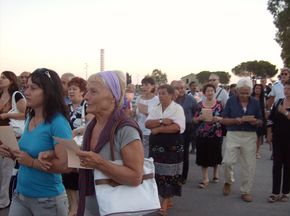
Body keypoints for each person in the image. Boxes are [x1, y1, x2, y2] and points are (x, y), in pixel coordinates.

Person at [1, 68, 72, 216]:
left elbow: (66, 165)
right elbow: (28, 154)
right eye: (26, 87)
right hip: (20, 195)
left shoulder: (58, 123)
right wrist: (14, 154)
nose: (26, 92)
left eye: (33, 88)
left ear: (49, 92)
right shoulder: (30, 118)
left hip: (47, 201)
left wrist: (32, 162)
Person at [75, 71, 144, 216]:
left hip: (116, 209)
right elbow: (85, 165)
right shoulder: (91, 126)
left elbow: (136, 177)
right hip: (91, 207)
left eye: (93, 91)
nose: (86, 96)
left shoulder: (126, 129)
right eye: (87, 91)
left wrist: (100, 163)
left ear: (113, 96)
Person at [145, 84, 185, 216]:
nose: (160, 96)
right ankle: (167, 198)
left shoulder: (177, 108)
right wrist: (162, 120)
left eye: (163, 93)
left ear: (171, 95)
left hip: (172, 147)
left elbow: (177, 127)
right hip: (156, 148)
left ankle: (165, 201)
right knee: (158, 173)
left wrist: (158, 128)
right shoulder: (156, 108)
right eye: (159, 93)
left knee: (170, 174)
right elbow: (147, 124)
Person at [221, 77, 263, 202]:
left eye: (247, 93)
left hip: (250, 136)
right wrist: (235, 120)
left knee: (249, 165)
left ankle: (246, 191)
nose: (244, 95)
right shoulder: (231, 101)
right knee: (227, 162)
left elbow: (261, 121)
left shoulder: (255, 102)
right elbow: (223, 119)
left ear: (250, 91)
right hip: (233, 133)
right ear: (237, 91)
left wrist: (255, 121)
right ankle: (228, 181)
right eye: (242, 93)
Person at [63, 77, 93, 216]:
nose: (70, 91)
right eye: (69, 89)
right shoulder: (66, 107)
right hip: (67, 145)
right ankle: (73, 207)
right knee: (67, 175)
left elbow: (93, 124)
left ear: (82, 91)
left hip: (81, 145)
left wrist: (76, 131)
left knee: (80, 176)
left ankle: (82, 208)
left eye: (74, 89)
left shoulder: (87, 105)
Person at [0, 71, 26, 209]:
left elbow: (25, 113)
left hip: (11, 135)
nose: (0, 79)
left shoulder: (16, 95)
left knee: (7, 169)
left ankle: (5, 200)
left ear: (11, 80)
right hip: (1, 135)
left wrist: (5, 115)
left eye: (4, 77)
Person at [193, 84, 223, 188]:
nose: (210, 93)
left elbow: (224, 117)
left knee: (216, 154)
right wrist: (199, 118)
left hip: (216, 133)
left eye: (211, 91)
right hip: (202, 134)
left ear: (214, 92)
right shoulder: (200, 104)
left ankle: (216, 172)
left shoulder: (219, 104)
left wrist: (218, 118)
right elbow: (194, 119)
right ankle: (205, 178)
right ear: (204, 92)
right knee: (203, 156)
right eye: (207, 91)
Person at [267, 79, 290, 203]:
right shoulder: (278, 102)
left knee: (288, 165)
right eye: (285, 88)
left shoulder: (282, 107)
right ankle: (275, 193)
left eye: (289, 89)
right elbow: (271, 119)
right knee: (277, 165)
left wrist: (285, 112)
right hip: (278, 139)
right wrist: (269, 134)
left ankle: (285, 193)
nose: (286, 91)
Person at [172, 80, 197, 184]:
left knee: (184, 152)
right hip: (173, 128)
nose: (180, 90)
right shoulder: (172, 99)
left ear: (185, 88)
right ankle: (173, 174)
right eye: (178, 88)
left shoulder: (191, 99)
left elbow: (196, 112)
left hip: (187, 128)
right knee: (174, 152)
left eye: (182, 88)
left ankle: (183, 176)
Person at [135, 77, 159, 157]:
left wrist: (147, 113)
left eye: (146, 85)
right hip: (138, 131)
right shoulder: (139, 98)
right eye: (142, 85)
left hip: (149, 132)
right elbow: (135, 114)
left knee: (146, 157)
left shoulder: (157, 100)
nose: (143, 87)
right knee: (138, 155)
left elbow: (160, 117)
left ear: (152, 86)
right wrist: (131, 113)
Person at [251, 84, 266, 159]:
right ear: (253, 89)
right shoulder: (250, 98)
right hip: (251, 119)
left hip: (260, 119)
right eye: (256, 88)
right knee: (251, 137)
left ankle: (257, 152)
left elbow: (265, 109)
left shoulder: (263, 99)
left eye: (259, 88)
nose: (257, 89)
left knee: (258, 137)